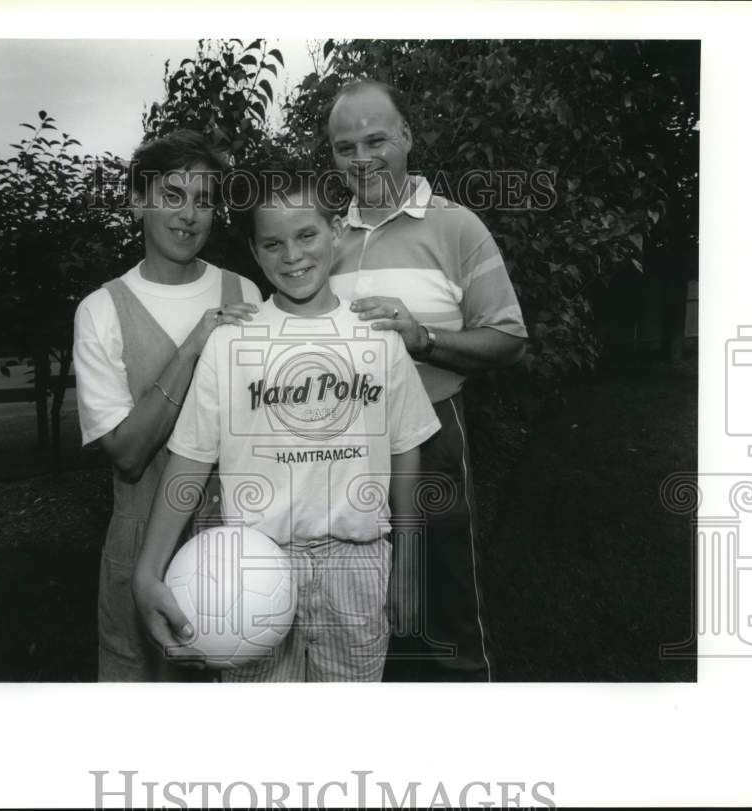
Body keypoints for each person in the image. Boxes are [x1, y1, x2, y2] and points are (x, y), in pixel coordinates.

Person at [131, 172, 441, 681]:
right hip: (250, 570)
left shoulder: (377, 335)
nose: (291, 255)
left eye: (306, 235)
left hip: (357, 563)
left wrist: (410, 559)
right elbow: (189, 459)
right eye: (272, 244)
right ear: (254, 251)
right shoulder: (232, 342)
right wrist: (147, 571)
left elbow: (406, 448)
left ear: (336, 232)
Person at [326, 79, 528, 682]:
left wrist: (426, 340)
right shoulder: (325, 236)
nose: (362, 160)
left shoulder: (457, 228)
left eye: (376, 140)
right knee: (358, 601)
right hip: (337, 446)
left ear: (408, 137)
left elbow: (511, 341)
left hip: (434, 435)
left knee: (444, 599)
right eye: (344, 147)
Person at [72, 130, 261, 681]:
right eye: (172, 195)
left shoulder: (246, 294)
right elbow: (127, 454)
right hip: (140, 544)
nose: (189, 215)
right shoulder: (101, 311)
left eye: (204, 200)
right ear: (138, 202)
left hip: (235, 539)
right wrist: (194, 347)